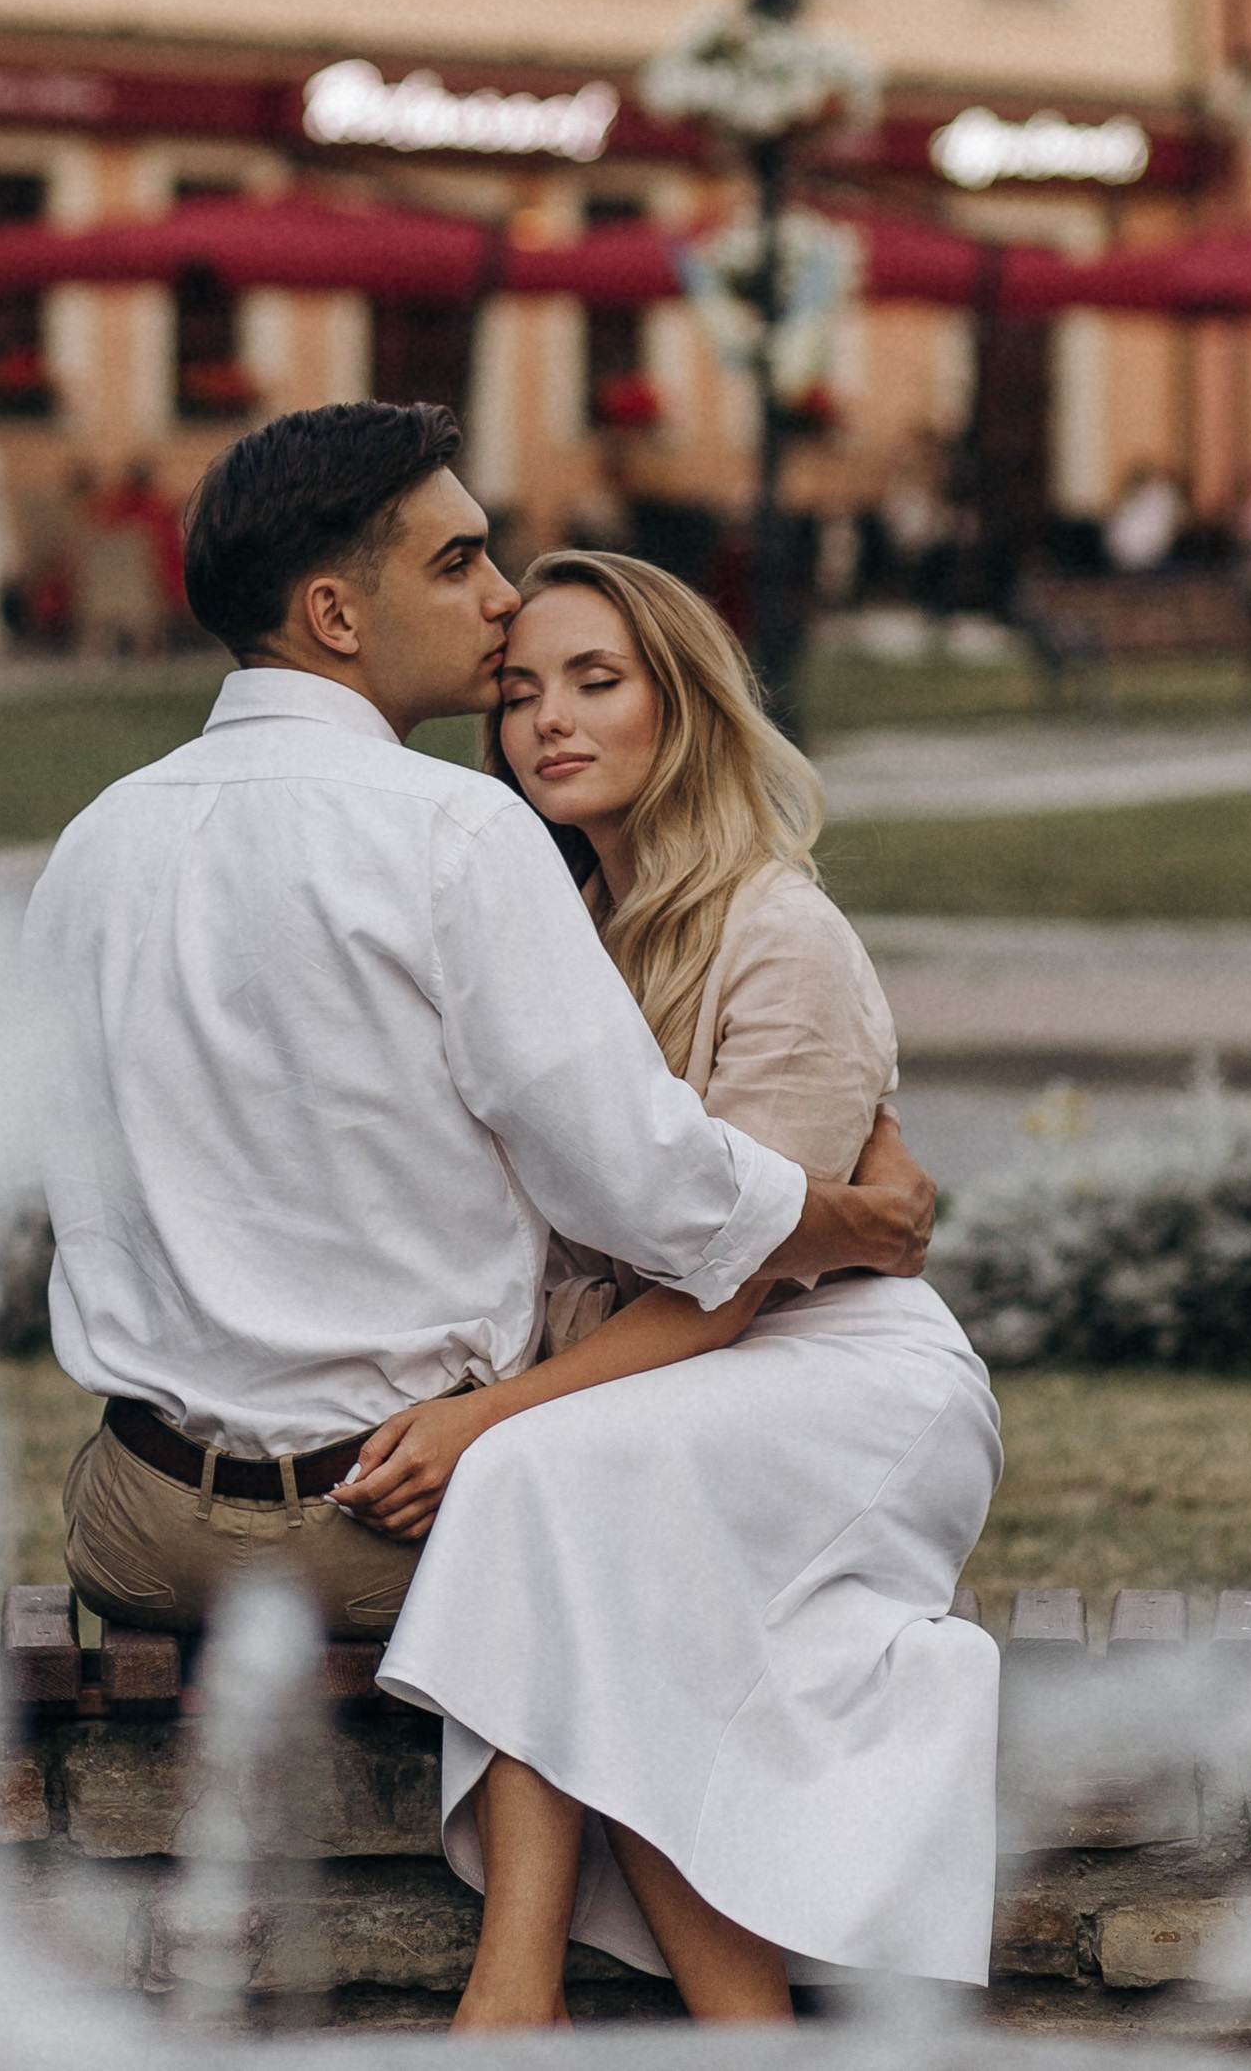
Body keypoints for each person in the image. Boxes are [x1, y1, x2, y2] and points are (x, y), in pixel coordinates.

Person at [23, 400, 936, 1644]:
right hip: (395, 1518)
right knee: (711, 1604)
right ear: (336, 617)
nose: (501, 596)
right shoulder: (455, 829)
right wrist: (860, 1220)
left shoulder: (92, 843)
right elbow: (644, 1186)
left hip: (132, 1524)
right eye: (457, 562)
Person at [357, 552, 1002, 2025]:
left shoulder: (780, 935)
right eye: (519, 694)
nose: (547, 724)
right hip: (659, 1383)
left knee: (531, 1475)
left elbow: (731, 1289)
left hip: (836, 1373)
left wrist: (484, 1416)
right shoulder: (544, 935)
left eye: (597, 682)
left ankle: (510, 1990)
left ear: (685, 704)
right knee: (617, 1586)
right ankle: (738, 2034)